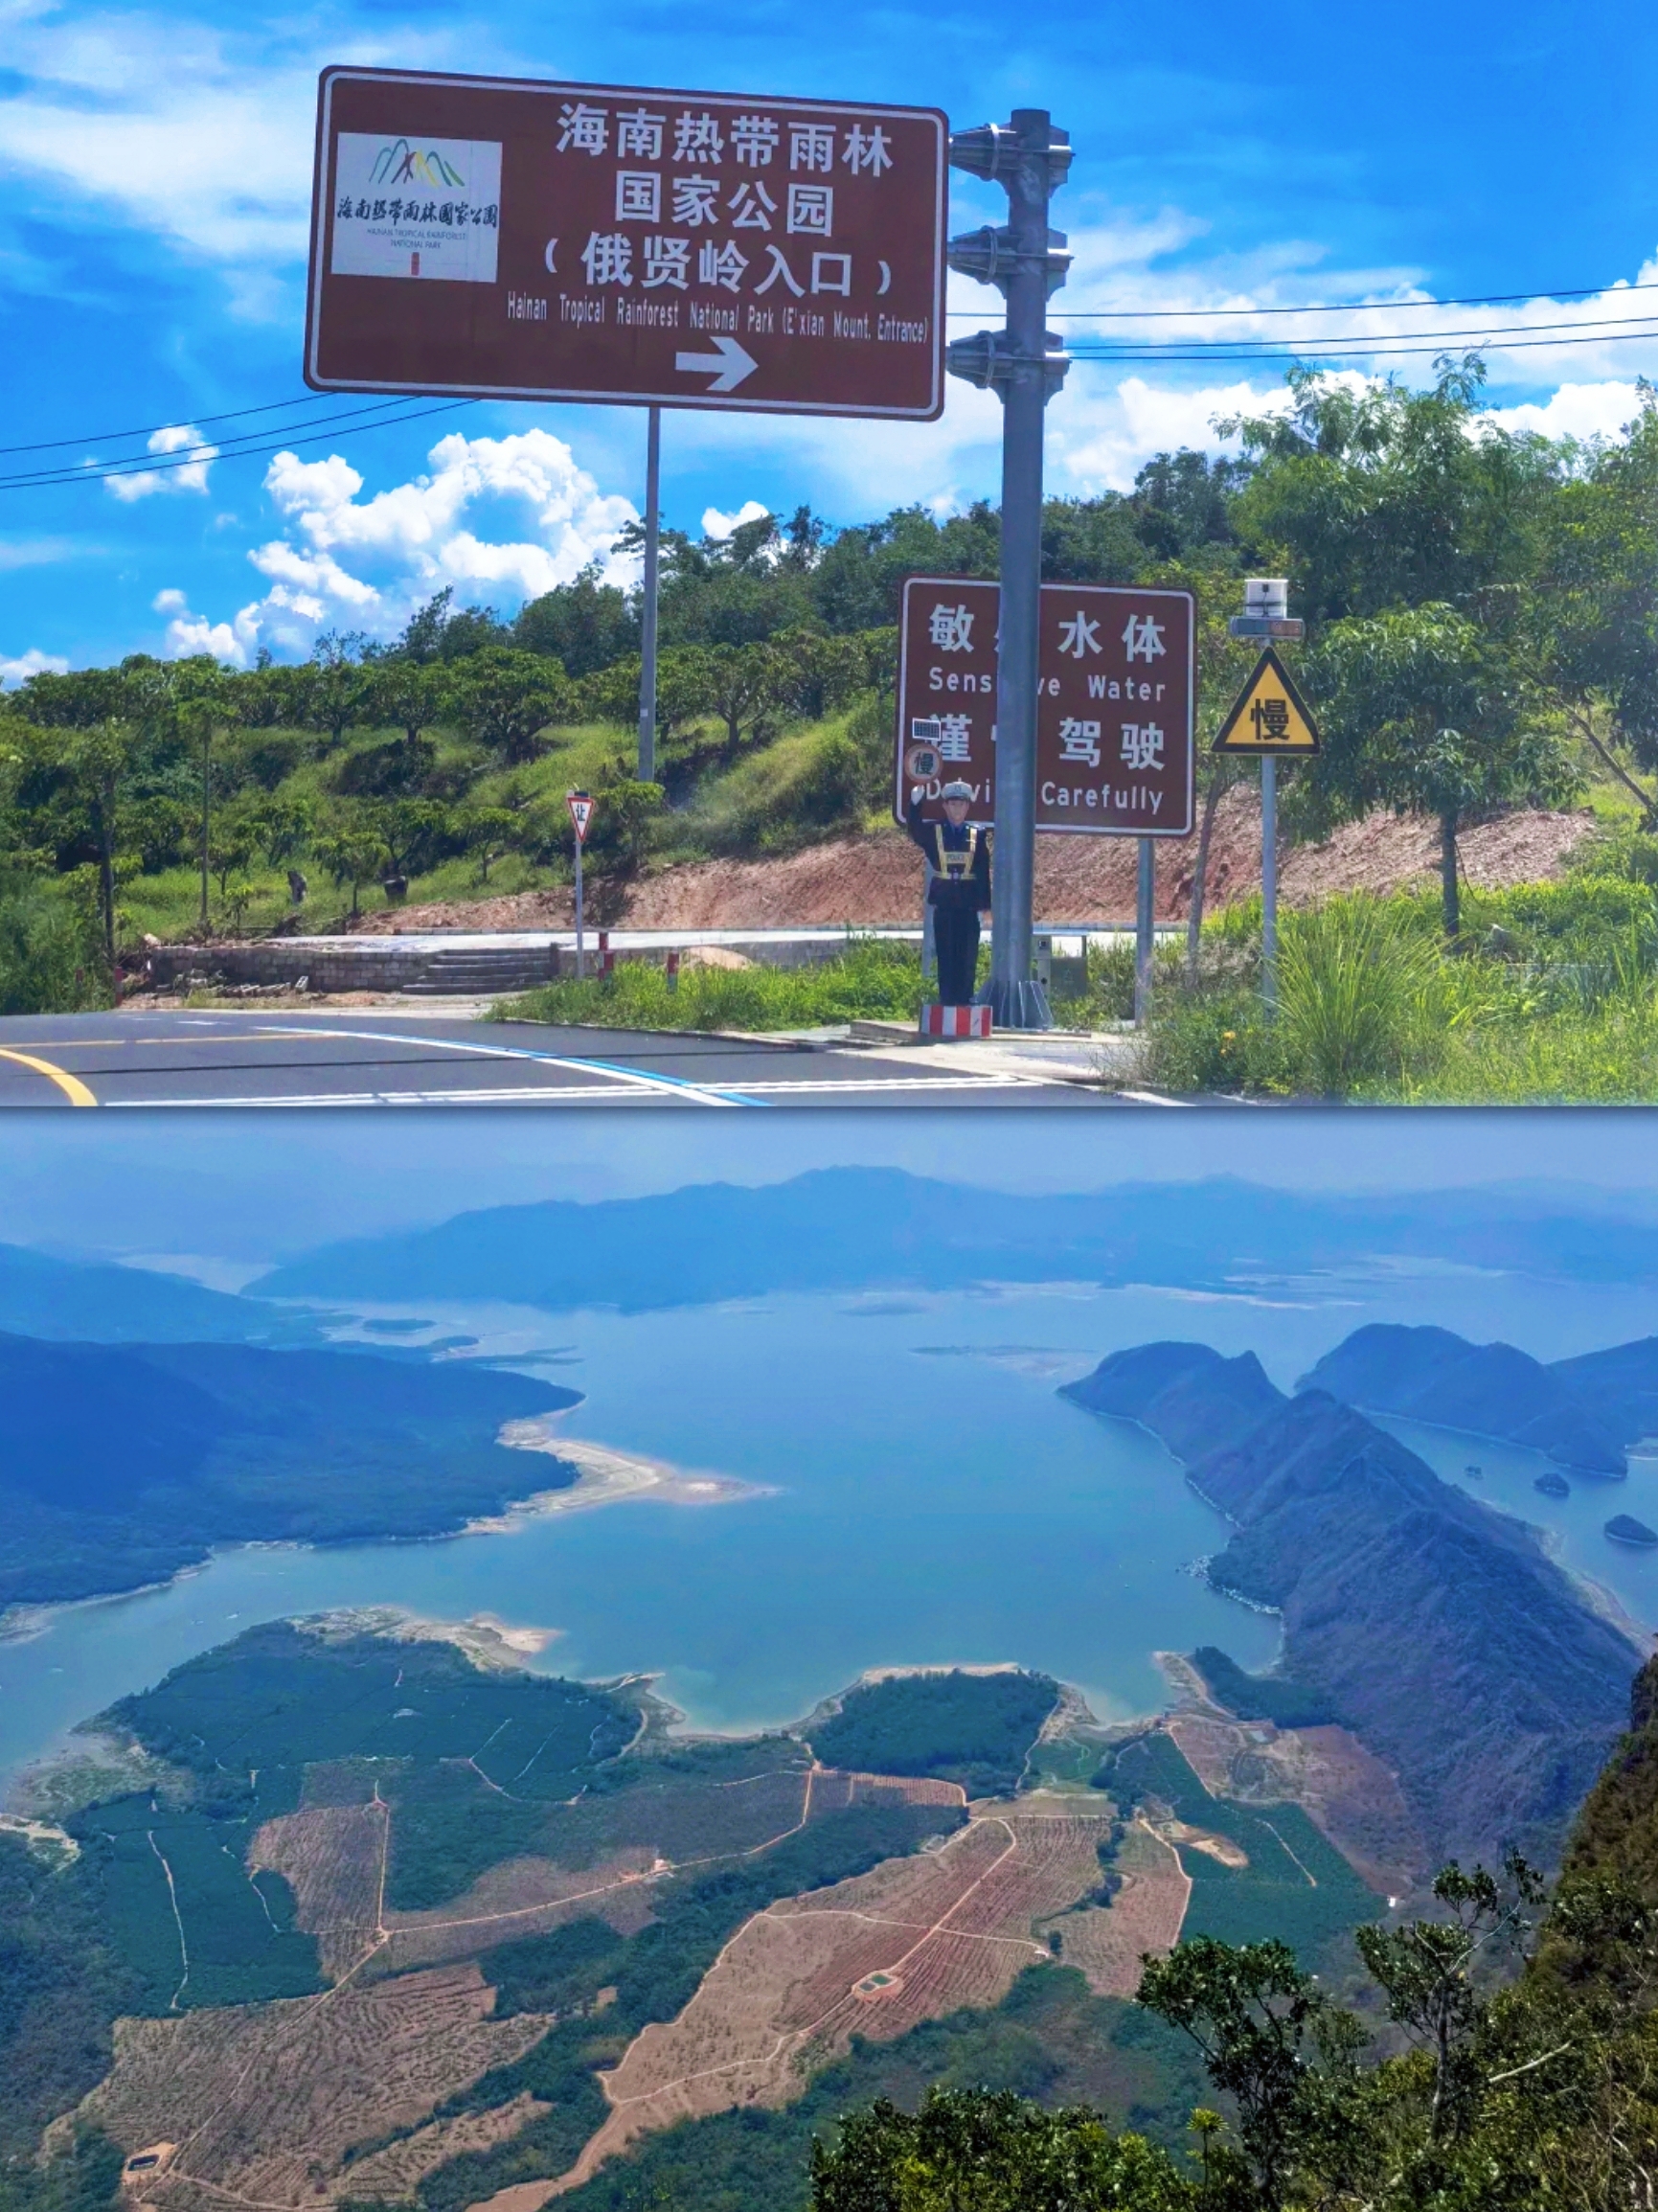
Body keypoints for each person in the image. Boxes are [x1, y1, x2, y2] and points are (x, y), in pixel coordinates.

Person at [905, 780, 991, 1007]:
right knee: (946, 952)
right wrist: (915, 804)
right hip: (944, 902)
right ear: (945, 806)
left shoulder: (977, 834)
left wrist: (985, 906)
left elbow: (983, 870)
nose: (957, 809)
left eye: (961, 804)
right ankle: (947, 998)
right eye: (953, 804)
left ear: (967, 807)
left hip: (968, 903)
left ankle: (966, 997)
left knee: (967, 952)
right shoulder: (935, 832)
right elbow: (915, 831)